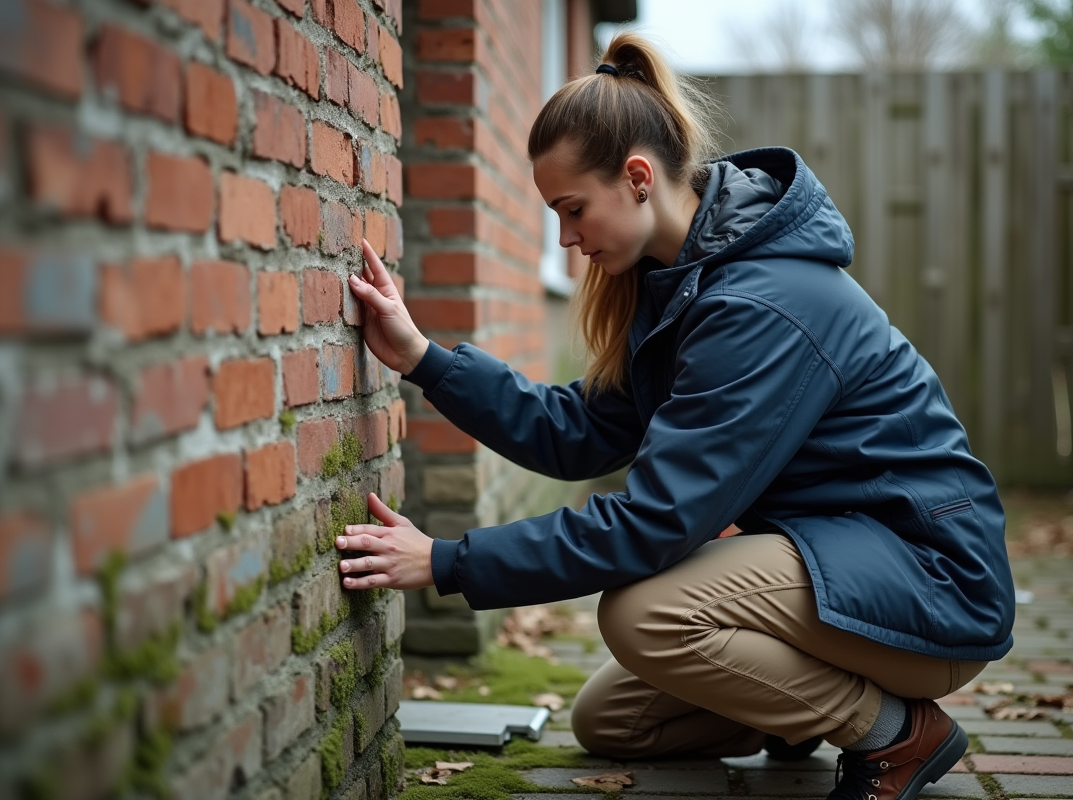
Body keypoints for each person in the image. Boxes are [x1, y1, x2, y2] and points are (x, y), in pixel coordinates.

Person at [335, 32, 1015, 800]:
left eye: (572, 210)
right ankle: (802, 711)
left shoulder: (760, 304)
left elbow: (654, 522)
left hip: (932, 584)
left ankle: (895, 734)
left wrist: (450, 561)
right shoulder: (685, 285)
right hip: (838, 563)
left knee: (645, 615)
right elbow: (580, 431)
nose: (565, 239)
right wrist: (424, 358)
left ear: (636, 177)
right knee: (614, 721)